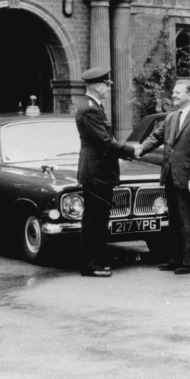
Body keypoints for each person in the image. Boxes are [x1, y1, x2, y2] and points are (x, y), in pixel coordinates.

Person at [138, 79, 190, 274]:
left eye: (177, 92)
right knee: (175, 221)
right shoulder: (171, 117)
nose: (173, 95)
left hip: (189, 179)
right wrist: (141, 148)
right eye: (173, 92)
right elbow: (156, 137)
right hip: (171, 176)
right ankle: (175, 259)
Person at [74, 66, 138, 277]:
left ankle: (96, 261)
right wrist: (131, 150)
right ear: (96, 86)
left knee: (99, 219)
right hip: (96, 173)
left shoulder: (93, 107)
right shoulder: (90, 109)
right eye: (106, 84)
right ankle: (91, 265)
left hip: (99, 172)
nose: (108, 88)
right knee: (94, 220)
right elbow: (104, 142)